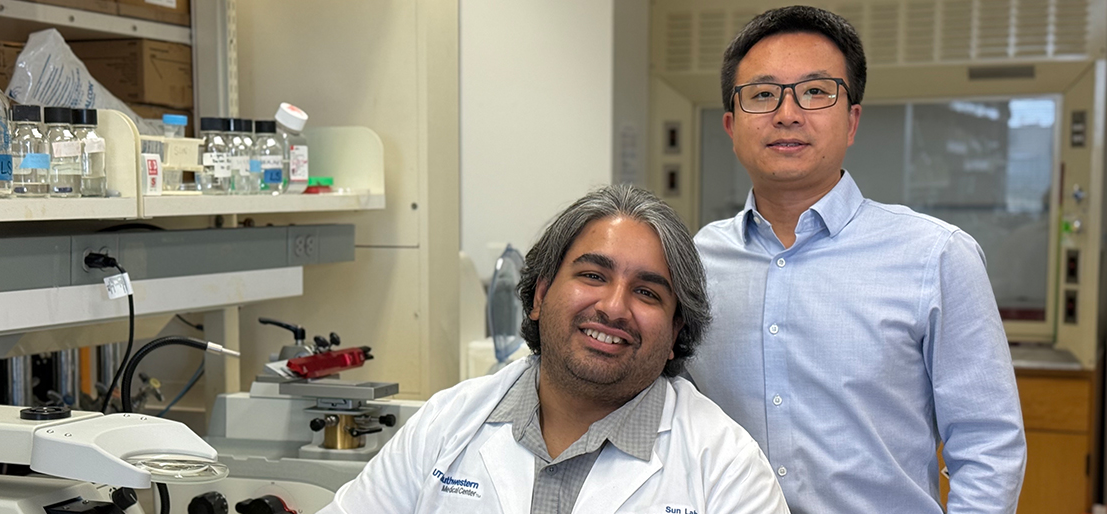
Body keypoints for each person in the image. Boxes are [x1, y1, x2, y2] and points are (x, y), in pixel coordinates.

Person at [688, 6, 1026, 513]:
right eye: (762, 94)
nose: (787, 113)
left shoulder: (936, 255)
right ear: (732, 126)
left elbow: (988, 444)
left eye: (816, 91)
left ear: (852, 119)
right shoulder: (695, 261)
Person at [320, 184, 789, 513]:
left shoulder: (727, 468)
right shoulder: (446, 424)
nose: (614, 307)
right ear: (540, 295)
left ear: (674, 334)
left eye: (648, 293)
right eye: (592, 275)